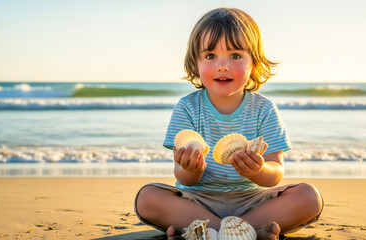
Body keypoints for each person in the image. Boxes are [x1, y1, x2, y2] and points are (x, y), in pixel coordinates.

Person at [135, 7, 323, 240]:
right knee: (148, 198)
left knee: (308, 196)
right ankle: (244, 232)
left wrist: (259, 170)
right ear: (195, 62)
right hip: (198, 199)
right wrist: (191, 169)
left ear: (253, 62)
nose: (222, 65)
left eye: (235, 56)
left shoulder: (264, 108)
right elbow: (184, 178)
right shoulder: (187, 107)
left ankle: (207, 232)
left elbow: (276, 173)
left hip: (253, 201)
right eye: (210, 56)